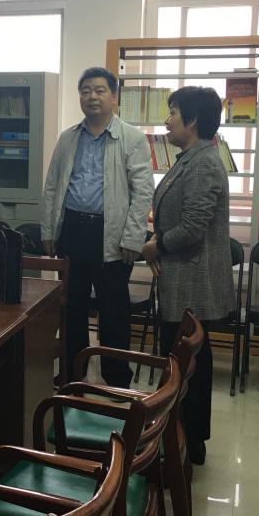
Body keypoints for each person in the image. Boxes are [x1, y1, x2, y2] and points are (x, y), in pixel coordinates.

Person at [42, 66, 153, 387]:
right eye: (85, 90)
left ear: (114, 97)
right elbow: (52, 186)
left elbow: (143, 191)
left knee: (113, 310)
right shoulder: (68, 138)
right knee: (71, 307)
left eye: (100, 90)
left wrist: (133, 237)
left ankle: (117, 379)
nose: (92, 96)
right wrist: (49, 231)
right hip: (73, 230)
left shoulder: (131, 138)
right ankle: (72, 374)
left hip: (112, 235)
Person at [142, 86, 235, 466]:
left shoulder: (203, 163)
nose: (167, 121)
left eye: (173, 113)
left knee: (190, 364)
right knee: (183, 362)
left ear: (192, 120)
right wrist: (157, 241)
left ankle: (189, 441)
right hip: (182, 277)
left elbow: (193, 227)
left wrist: (156, 246)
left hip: (192, 279)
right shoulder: (190, 158)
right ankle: (182, 438)